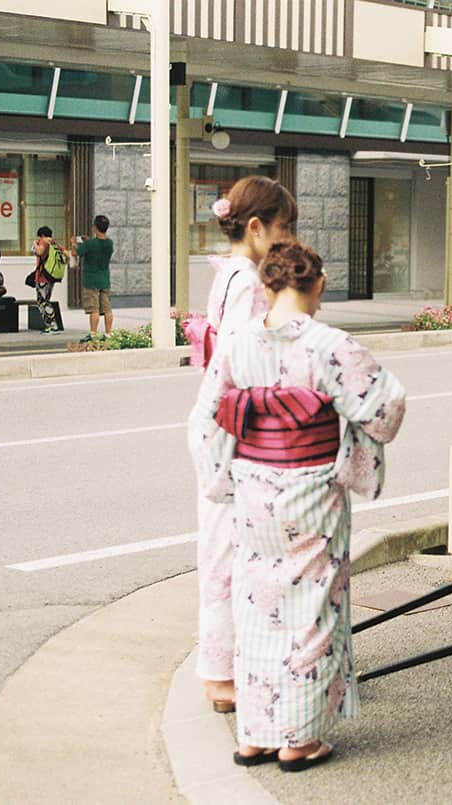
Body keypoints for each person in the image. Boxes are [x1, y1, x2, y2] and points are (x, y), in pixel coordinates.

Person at [188, 240, 405, 769]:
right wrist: (345, 431)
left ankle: (253, 736)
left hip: (254, 491)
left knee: (256, 607)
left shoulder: (237, 346)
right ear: (318, 286)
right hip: (309, 493)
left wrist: (224, 480)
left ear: (266, 287)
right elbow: (386, 407)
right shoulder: (330, 345)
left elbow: (206, 419)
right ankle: (299, 739)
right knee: (309, 612)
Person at [190, 176, 298, 714]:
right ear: (255, 227)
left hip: (220, 420)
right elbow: (242, 360)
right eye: (282, 228)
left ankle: (226, 668)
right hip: (236, 426)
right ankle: (222, 675)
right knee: (232, 554)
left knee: (224, 551)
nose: (288, 238)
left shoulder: (229, 273)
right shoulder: (251, 282)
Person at [73, 215, 114, 341]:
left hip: (91, 280)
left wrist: (74, 243)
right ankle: (108, 333)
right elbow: (97, 246)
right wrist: (89, 241)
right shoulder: (109, 243)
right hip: (104, 279)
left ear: (95, 227)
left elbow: (76, 253)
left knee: (94, 309)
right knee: (107, 308)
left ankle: (93, 333)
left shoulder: (90, 244)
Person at [32, 225, 62, 334]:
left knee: (43, 302)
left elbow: (39, 252)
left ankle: (52, 326)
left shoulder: (43, 242)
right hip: (51, 276)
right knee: (46, 300)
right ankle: (52, 325)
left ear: (42, 235)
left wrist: (35, 244)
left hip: (42, 277)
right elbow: (67, 255)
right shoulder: (54, 244)